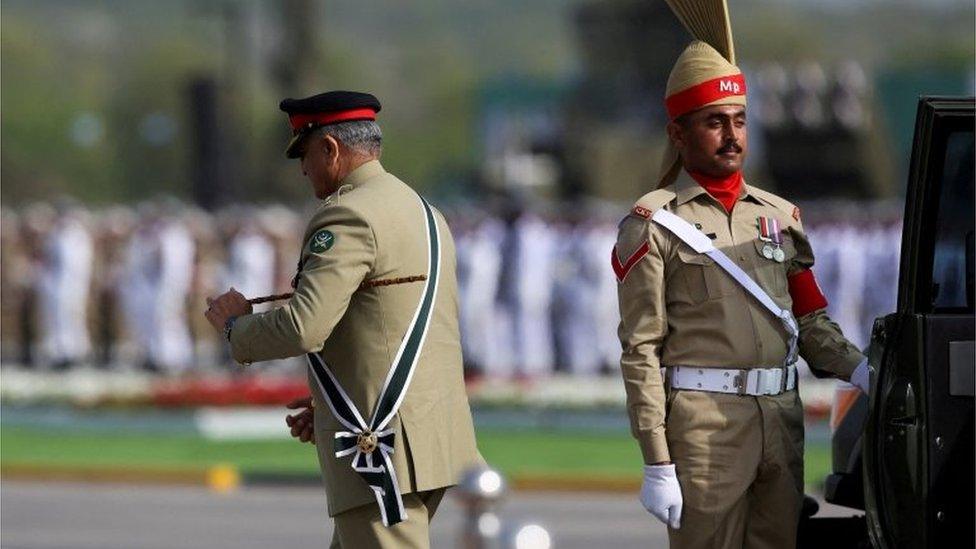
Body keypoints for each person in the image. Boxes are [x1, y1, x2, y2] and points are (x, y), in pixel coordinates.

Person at [613, 40, 871, 549]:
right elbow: (640, 349)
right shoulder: (655, 224)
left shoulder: (780, 217)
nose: (732, 136)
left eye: (740, 120)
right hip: (705, 430)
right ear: (678, 134)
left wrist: (864, 370)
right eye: (714, 122)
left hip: (780, 421)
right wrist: (657, 458)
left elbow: (811, 321)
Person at [204, 91, 480, 548]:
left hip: (381, 447)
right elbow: (391, 324)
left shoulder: (348, 214)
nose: (303, 169)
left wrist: (237, 328)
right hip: (429, 435)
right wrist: (327, 406)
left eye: (306, 153)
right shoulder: (425, 211)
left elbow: (304, 327)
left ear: (330, 148)